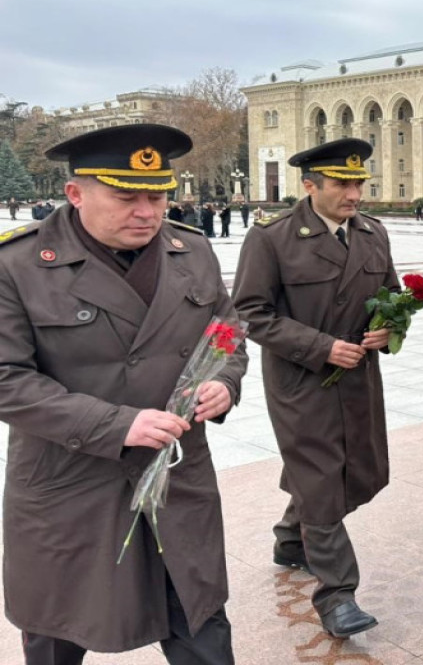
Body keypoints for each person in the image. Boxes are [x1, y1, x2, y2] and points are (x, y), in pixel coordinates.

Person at [0, 123, 246, 664]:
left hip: (176, 484)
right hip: (70, 488)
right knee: (57, 631)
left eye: (157, 195)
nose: (147, 212)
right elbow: (6, 378)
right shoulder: (16, 265)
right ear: (75, 193)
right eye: (125, 196)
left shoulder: (192, 251)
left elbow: (227, 333)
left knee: (201, 627)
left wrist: (224, 382)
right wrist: (116, 425)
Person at [233, 139, 399, 638]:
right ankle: (337, 595)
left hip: (357, 376)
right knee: (322, 474)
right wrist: (321, 347)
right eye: (342, 184)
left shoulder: (372, 233)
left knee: (354, 467)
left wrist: (390, 328)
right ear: (309, 186)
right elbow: (250, 314)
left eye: (358, 184)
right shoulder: (273, 237)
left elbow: (390, 296)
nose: (354, 194)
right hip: (300, 379)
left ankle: (290, 539)